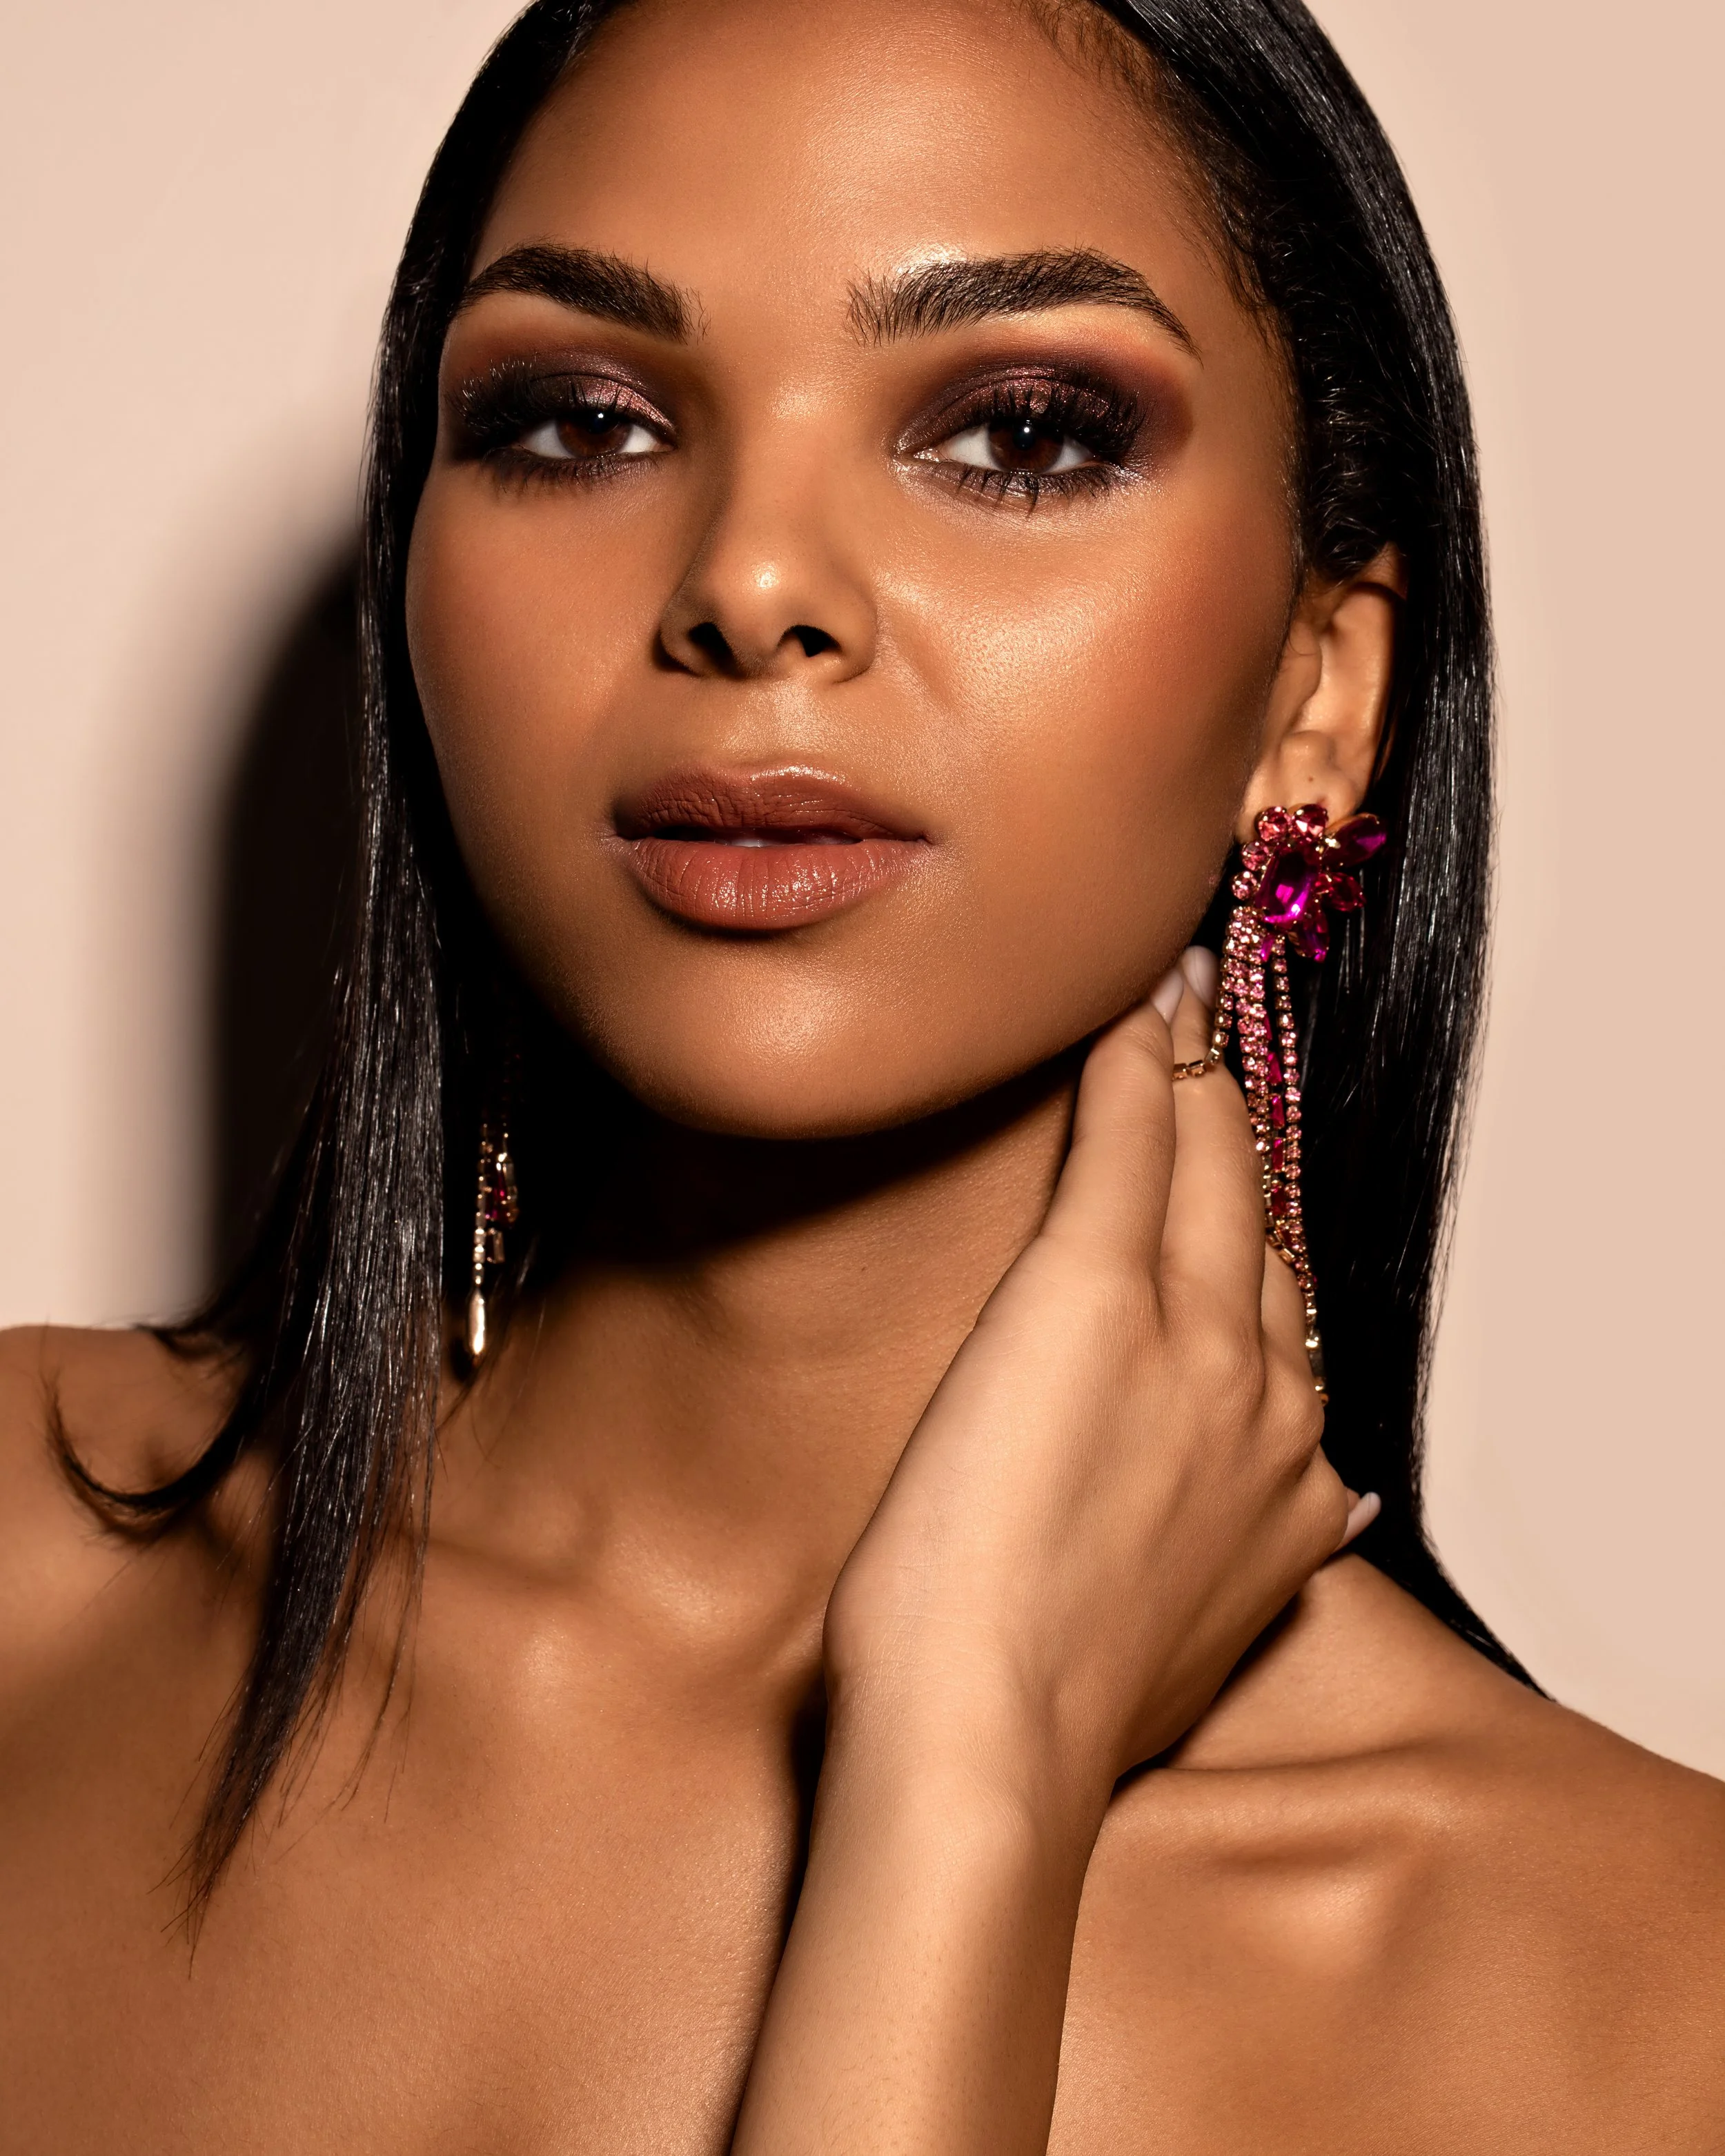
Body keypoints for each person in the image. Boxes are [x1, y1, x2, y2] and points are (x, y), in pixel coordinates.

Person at [2, 0, 1719, 2147]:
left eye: (1014, 433)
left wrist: (965, 1770)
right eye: (581, 419)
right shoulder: (23, 1563)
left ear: (1317, 690)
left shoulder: (1646, 1995)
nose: (747, 584)